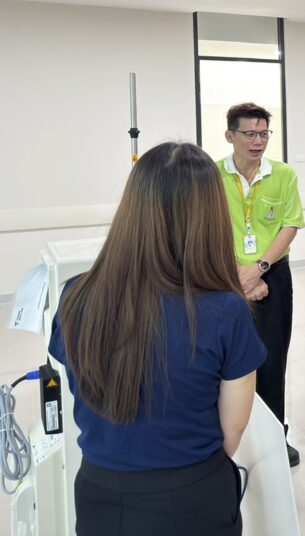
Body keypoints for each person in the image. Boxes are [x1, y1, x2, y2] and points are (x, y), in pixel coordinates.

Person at [48, 142, 266, 536]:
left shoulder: (75, 297)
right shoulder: (224, 311)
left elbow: (83, 389)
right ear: (211, 217)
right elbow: (231, 432)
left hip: (98, 494)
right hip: (192, 498)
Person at [219, 102, 305, 467]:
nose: (258, 141)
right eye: (250, 134)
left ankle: (274, 438)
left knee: (272, 359)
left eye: (264, 133)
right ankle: (230, 436)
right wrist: (239, 274)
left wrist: (260, 268)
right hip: (224, 274)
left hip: (273, 274)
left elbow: (290, 224)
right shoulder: (213, 175)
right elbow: (207, 227)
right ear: (230, 135)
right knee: (226, 358)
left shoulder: (282, 174)